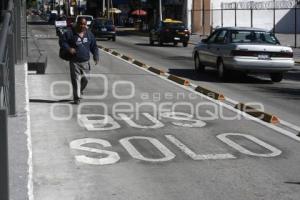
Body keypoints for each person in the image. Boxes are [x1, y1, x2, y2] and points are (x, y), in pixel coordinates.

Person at [59, 18, 99, 104]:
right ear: (77, 24)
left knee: (86, 79)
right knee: (76, 80)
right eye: (81, 24)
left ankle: (79, 90)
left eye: (84, 24)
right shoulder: (70, 33)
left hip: (85, 61)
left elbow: (94, 46)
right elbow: (62, 41)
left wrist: (96, 56)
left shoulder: (89, 34)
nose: (82, 26)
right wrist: (68, 48)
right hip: (74, 61)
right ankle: (77, 98)